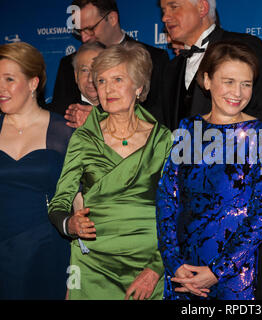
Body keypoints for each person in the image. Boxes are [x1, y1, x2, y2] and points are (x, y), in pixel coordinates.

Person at [48, 42, 173, 300]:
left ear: (139, 86)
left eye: (118, 79)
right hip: (93, 265)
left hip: (148, 266)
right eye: (101, 81)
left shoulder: (163, 140)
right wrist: (69, 224)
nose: (108, 89)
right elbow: (60, 201)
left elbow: (178, 210)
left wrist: (156, 268)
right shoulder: (83, 139)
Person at [156, 40, 262, 300]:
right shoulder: (187, 128)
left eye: (246, 84)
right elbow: (167, 199)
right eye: (229, 81)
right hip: (182, 273)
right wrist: (174, 263)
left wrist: (217, 271)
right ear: (207, 80)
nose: (238, 92)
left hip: (235, 276)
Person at [0, 42, 74, 299]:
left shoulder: (64, 130)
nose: (1, 88)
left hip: (47, 250)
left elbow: (81, 203)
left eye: (9, 79)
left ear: (33, 83)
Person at [159, 0, 262, 132]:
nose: (165, 17)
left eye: (174, 7)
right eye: (163, 10)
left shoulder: (244, 47)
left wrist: (229, 146)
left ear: (202, 7)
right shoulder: (171, 69)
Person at [49, 0, 168, 123]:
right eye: (79, 31)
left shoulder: (154, 59)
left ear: (112, 19)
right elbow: (58, 115)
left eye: (90, 29)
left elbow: (160, 115)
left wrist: (102, 117)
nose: (84, 38)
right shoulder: (69, 63)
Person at [62, 42, 105, 128]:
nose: (90, 79)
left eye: (97, 69)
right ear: (76, 76)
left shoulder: (125, 111)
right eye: (85, 70)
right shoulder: (60, 113)